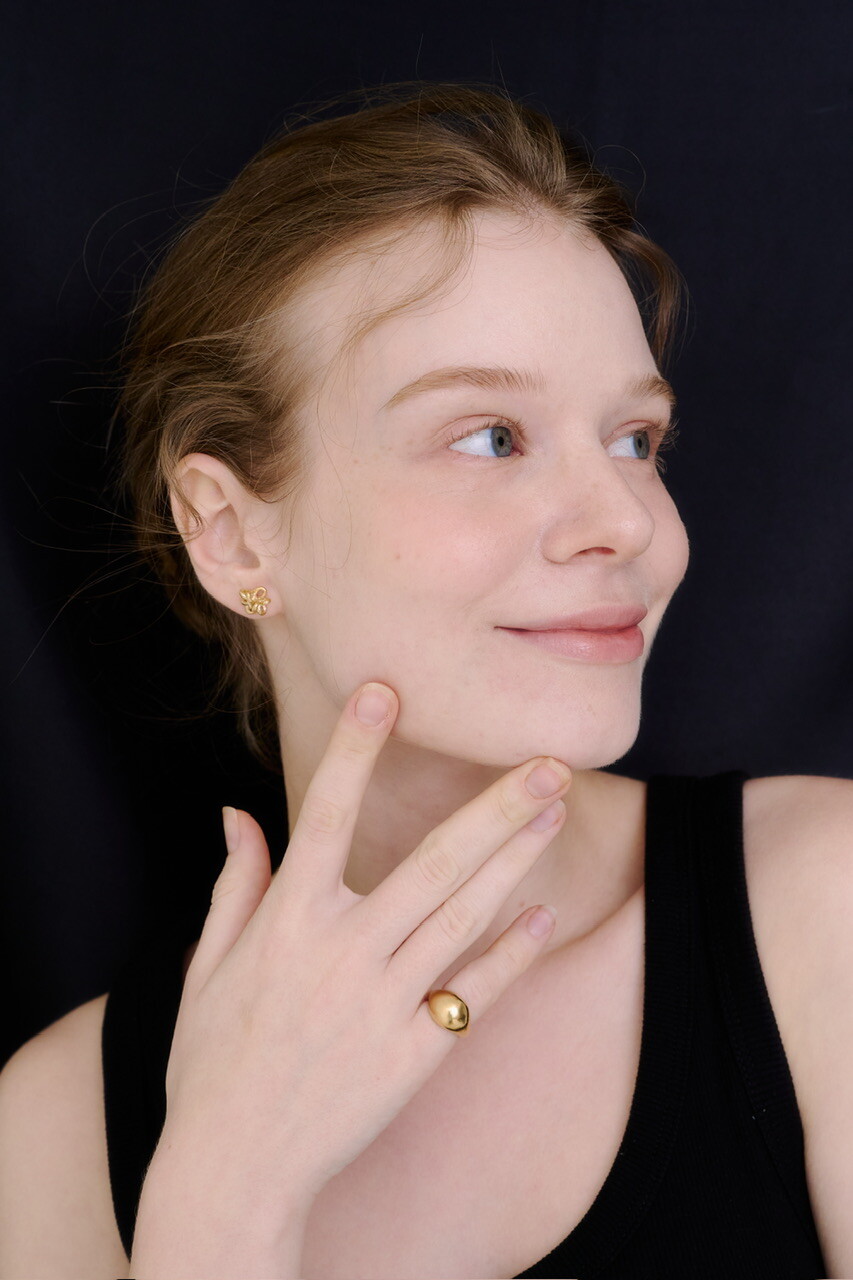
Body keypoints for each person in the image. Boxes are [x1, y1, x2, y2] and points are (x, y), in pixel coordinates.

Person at [0, 79, 851, 1280]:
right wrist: (222, 1195)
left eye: (635, 440)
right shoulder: (47, 1135)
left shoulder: (824, 909)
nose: (627, 522)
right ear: (230, 533)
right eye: (490, 437)